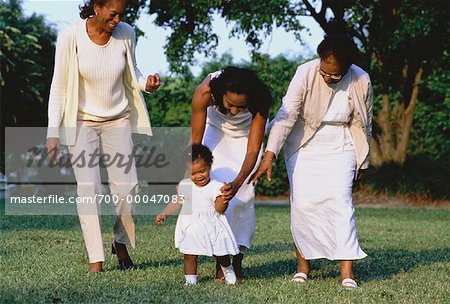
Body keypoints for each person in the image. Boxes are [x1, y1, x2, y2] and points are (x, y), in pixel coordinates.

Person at [45, 0, 161, 272]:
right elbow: (59, 86)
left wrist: (147, 84)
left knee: (128, 187)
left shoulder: (126, 33)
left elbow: (133, 72)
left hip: (117, 119)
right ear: (96, 7)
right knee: (89, 190)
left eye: (121, 13)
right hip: (82, 121)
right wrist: (52, 132)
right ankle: (96, 259)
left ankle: (119, 242)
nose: (117, 19)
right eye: (112, 13)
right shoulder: (70, 36)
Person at [252, 33, 373, 289]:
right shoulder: (305, 72)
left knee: (340, 203)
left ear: (347, 67)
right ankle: (303, 267)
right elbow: (287, 114)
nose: (327, 77)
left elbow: (364, 122)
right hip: (304, 144)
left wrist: (363, 160)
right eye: (324, 72)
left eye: (334, 75)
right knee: (303, 205)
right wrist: (270, 154)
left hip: (341, 144)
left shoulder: (361, 78)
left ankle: (347, 272)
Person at [190, 66, 273, 281]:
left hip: (245, 140)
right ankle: (222, 259)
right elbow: (196, 141)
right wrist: (191, 168)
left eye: (241, 107)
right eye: (229, 105)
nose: (234, 111)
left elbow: (253, 149)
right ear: (220, 94)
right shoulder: (204, 92)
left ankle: (236, 258)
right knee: (217, 191)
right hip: (215, 133)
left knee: (242, 196)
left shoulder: (261, 99)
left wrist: (238, 183)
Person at [156, 144, 239, 285]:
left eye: (202, 171)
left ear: (209, 166)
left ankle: (227, 268)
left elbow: (220, 209)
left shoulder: (216, 186)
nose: (198, 176)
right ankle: (190, 280)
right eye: (193, 174)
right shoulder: (185, 185)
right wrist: (164, 213)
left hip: (213, 224)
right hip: (192, 225)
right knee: (189, 254)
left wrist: (223, 198)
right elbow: (177, 202)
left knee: (221, 253)